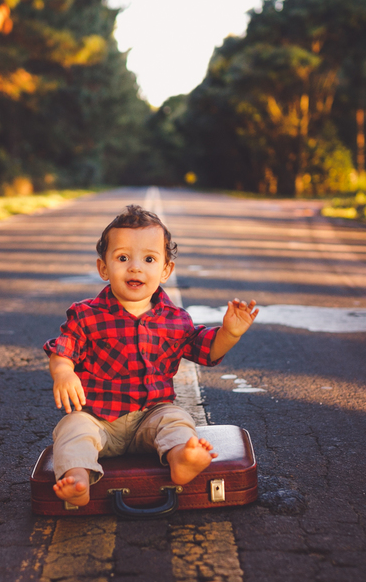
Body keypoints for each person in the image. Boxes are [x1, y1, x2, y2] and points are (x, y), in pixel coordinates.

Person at [44, 204, 258, 507]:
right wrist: (64, 372)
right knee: (71, 429)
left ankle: (182, 458)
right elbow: (62, 348)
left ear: (166, 269)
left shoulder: (174, 318)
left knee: (177, 419)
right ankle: (78, 478)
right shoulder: (86, 315)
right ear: (103, 268)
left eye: (148, 259)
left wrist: (230, 333)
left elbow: (206, 349)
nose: (135, 267)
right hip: (98, 418)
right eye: (122, 258)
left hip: (151, 414)